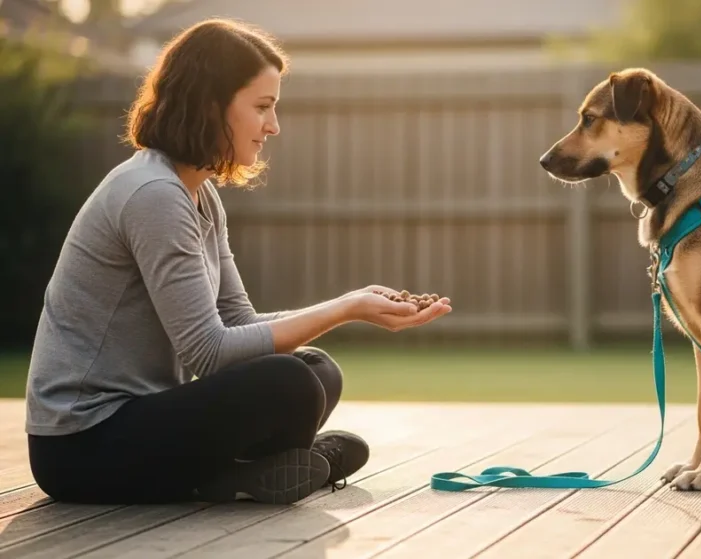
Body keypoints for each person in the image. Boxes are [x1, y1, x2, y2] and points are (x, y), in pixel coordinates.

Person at [23, 18, 452, 506]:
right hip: (81, 446)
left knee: (315, 369)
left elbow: (238, 323)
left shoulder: (198, 193)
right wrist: (345, 308)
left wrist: (352, 305)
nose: (273, 125)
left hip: (141, 423)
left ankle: (246, 472)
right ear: (210, 106)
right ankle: (241, 472)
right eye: (262, 107)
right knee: (288, 383)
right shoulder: (153, 195)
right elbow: (208, 352)